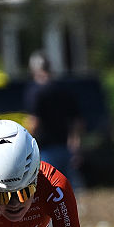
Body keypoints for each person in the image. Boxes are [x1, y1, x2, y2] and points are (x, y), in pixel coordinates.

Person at [24, 50, 84, 183]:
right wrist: (75, 144)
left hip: (45, 149)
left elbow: (34, 122)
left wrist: (26, 147)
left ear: (34, 68)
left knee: (48, 189)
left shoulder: (35, 92)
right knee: (68, 191)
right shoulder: (64, 89)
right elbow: (77, 121)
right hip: (66, 148)